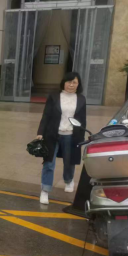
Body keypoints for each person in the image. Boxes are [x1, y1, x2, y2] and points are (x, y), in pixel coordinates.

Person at [36, 72, 87, 205]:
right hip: (52, 134)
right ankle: (45, 190)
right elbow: (46, 115)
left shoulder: (81, 99)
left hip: (71, 135)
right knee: (48, 163)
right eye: (69, 82)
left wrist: (81, 137)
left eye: (74, 82)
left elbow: (82, 119)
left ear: (78, 84)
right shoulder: (54, 96)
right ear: (63, 83)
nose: (71, 85)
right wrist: (40, 132)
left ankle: (68, 180)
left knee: (69, 162)